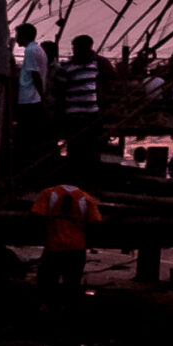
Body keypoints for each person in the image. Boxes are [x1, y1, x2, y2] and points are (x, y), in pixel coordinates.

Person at [32, 178, 102, 304]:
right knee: (71, 286)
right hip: (76, 249)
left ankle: (47, 311)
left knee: (46, 284)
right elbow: (95, 222)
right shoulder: (86, 198)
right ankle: (67, 313)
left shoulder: (48, 193)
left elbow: (37, 215)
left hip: (53, 248)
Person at [59, 36, 106, 166]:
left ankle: (88, 177)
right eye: (74, 48)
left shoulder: (94, 66)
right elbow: (60, 91)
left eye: (78, 48)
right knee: (75, 149)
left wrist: (100, 110)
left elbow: (97, 88)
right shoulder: (65, 67)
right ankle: (76, 179)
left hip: (91, 114)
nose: (75, 51)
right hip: (74, 116)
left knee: (91, 149)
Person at [12, 23, 53, 172]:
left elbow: (35, 75)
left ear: (23, 36)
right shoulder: (39, 50)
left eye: (17, 35)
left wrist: (41, 95)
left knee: (25, 136)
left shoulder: (30, 51)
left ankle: (26, 167)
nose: (16, 39)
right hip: (32, 98)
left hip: (29, 99)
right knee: (30, 135)